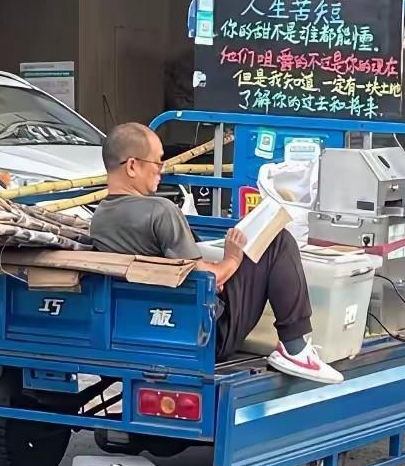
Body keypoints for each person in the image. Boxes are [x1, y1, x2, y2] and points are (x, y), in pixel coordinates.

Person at [88, 122, 342, 384]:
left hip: (139, 328)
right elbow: (206, 278)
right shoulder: (160, 210)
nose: (161, 170)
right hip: (204, 333)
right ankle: (295, 348)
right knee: (277, 240)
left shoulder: (99, 219)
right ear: (132, 166)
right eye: (158, 162)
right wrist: (232, 257)